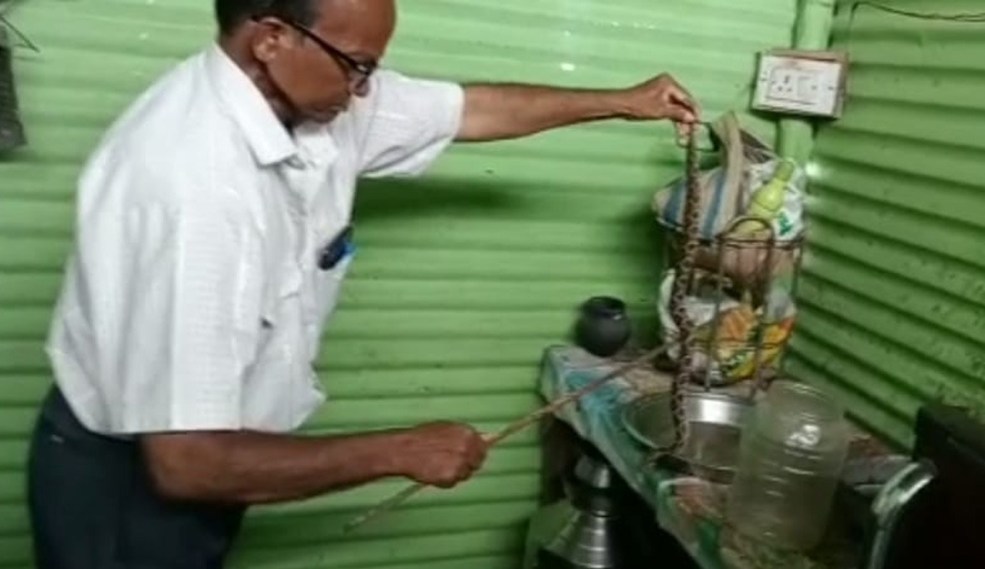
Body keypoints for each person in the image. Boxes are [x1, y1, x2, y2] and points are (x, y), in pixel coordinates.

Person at [26, 0, 700, 567]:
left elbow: (472, 111)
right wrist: (400, 450)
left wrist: (622, 101)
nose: (367, 89)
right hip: (126, 485)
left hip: (213, 459)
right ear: (270, 39)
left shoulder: (316, 97)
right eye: (359, 67)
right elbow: (188, 464)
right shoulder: (191, 189)